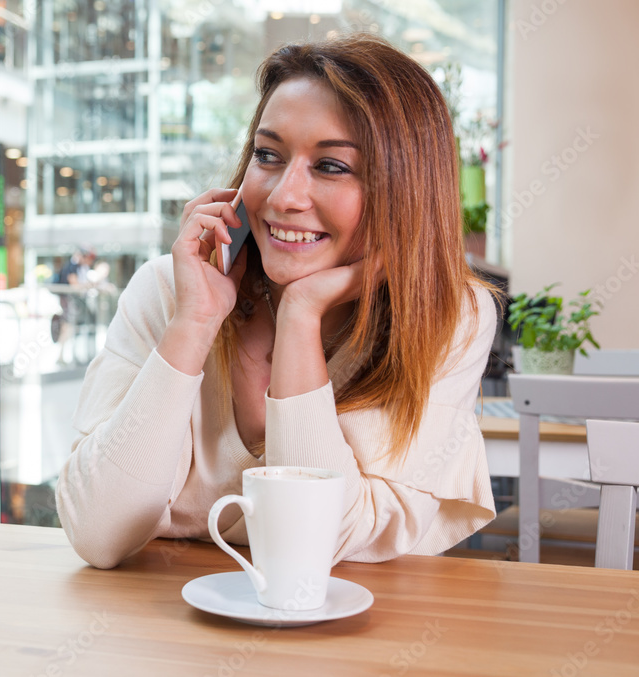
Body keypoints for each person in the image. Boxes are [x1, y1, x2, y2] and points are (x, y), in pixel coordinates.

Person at [56, 34, 498, 569]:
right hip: (165, 626)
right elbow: (98, 533)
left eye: (332, 166)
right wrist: (194, 322)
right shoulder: (172, 290)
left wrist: (300, 317)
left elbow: (313, 543)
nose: (283, 197)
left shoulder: (450, 316)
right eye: (268, 155)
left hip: (360, 632)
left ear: (405, 192)